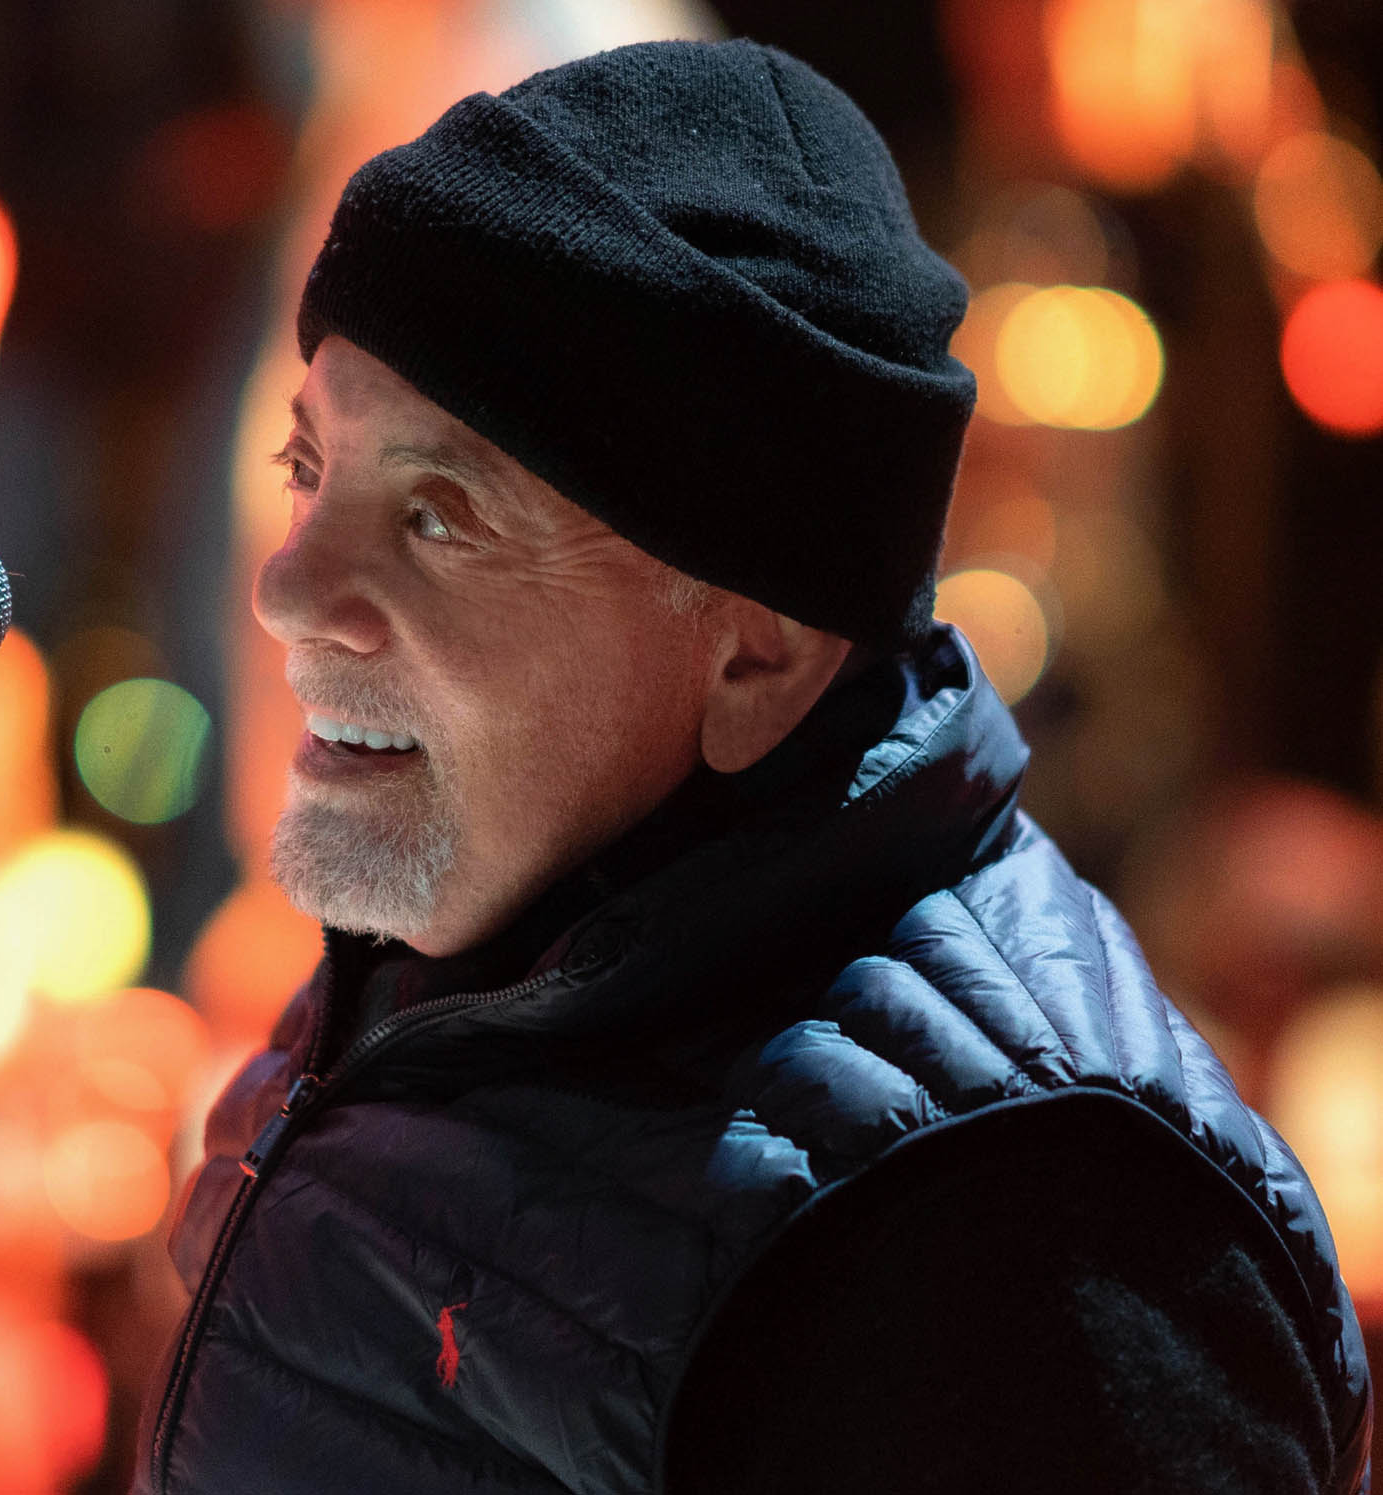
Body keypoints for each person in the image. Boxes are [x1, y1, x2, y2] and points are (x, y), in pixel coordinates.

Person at [140, 39, 1372, 1495]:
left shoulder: (1023, 1243)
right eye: (308, 470)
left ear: (757, 654)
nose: (287, 589)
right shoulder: (466, 945)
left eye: (438, 517)